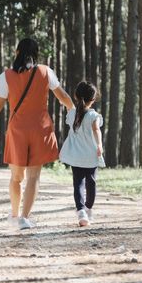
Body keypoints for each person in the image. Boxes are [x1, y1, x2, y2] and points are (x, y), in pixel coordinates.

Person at [0, 38, 74, 230]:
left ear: (17, 52)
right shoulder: (46, 72)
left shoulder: (6, 76)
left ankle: (14, 215)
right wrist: (75, 112)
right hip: (41, 129)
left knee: (16, 177)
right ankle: (24, 217)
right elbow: (62, 96)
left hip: (17, 130)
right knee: (33, 177)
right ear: (36, 54)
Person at [59, 81, 105, 227]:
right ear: (93, 99)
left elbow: (70, 113)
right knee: (91, 183)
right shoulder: (94, 115)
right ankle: (88, 208)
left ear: (76, 96)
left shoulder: (72, 114)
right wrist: (99, 145)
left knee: (78, 184)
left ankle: (81, 212)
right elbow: (96, 130)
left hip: (76, 156)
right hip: (91, 156)